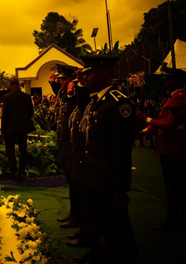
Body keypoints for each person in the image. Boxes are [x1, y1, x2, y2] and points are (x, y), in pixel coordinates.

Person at [76, 55, 137, 264]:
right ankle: (96, 254)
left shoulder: (118, 103)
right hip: (92, 175)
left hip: (106, 180)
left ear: (104, 73)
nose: (85, 78)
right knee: (96, 222)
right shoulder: (97, 101)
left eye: (89, 73)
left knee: (114, 229)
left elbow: (122, 150)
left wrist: (121, 189)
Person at [136, 63, 186, 233]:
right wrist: (145, 131)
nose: (164, 82)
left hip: (173, 148)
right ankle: (177, 219)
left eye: (168, 79)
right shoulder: (173, 98)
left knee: (175, 187)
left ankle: (176, 220)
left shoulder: (179, 98)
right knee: (173, 185)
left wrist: (146, 119)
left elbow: (169, 124)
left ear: (177, 81)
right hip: (169, 148)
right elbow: (163, 121)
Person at [66, 69, 91, 251]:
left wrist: (80, 84)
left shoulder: (101, 102)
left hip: (88, 158)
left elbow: (81, 103)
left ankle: (87, 235)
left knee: (88, 202)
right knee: (77, 191)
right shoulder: (81, 101)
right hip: (76, 152)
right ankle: (82, 229)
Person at [54, 64, 79, 228]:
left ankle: (77, 216)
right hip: (64, 144)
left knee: (77, 184)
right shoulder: (64, 93)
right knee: (72, 182)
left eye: (63, 78)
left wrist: (72, 91)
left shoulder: (76, 94)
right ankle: (74, 213)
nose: (61, 81)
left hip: (72, 145)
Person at [1, 77, 35, 181]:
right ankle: (22, 172)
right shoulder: (27, 97)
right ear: (19, 85)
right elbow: (31, 112)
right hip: (23, 128)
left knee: (10, 151)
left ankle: (14, 172)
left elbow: (5, 115)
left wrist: (3, 130)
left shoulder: (7, 97)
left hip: (10, 129)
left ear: (11, 86)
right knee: (23, 151)